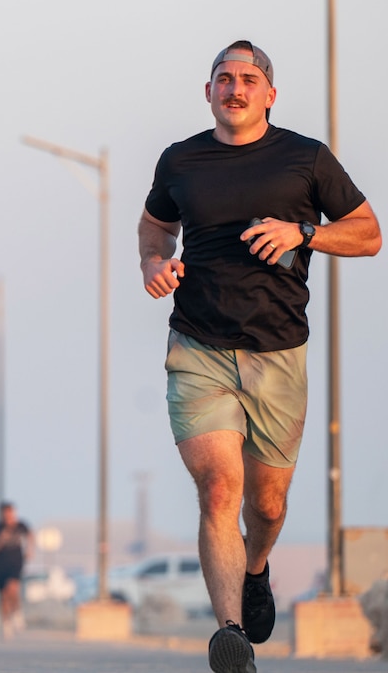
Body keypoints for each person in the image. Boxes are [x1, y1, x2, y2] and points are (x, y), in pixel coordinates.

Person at [138, 40, 381, 673]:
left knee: (266, 506)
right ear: (209, 91)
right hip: (198, 345)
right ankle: (230, 636)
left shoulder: (306, 159)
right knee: (220, 488)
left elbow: (368, 233)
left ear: (269, 93)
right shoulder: (181, 159)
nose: (235, 88)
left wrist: (303, 232)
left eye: (249, 79)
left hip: (278, 352)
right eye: (224, 78)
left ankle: (256, 565)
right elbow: (154, 226)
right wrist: (154, 263)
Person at [0, 501, 32, 641]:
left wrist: (30, 550)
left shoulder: (21, 526)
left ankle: (17, 613)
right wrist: (1, 540)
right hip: (1, 565)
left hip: (16, 564)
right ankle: (6, 623)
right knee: (4, 596)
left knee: (13, 588)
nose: (9, 516)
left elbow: (31, 535)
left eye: (11, 512)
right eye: (5, 513)